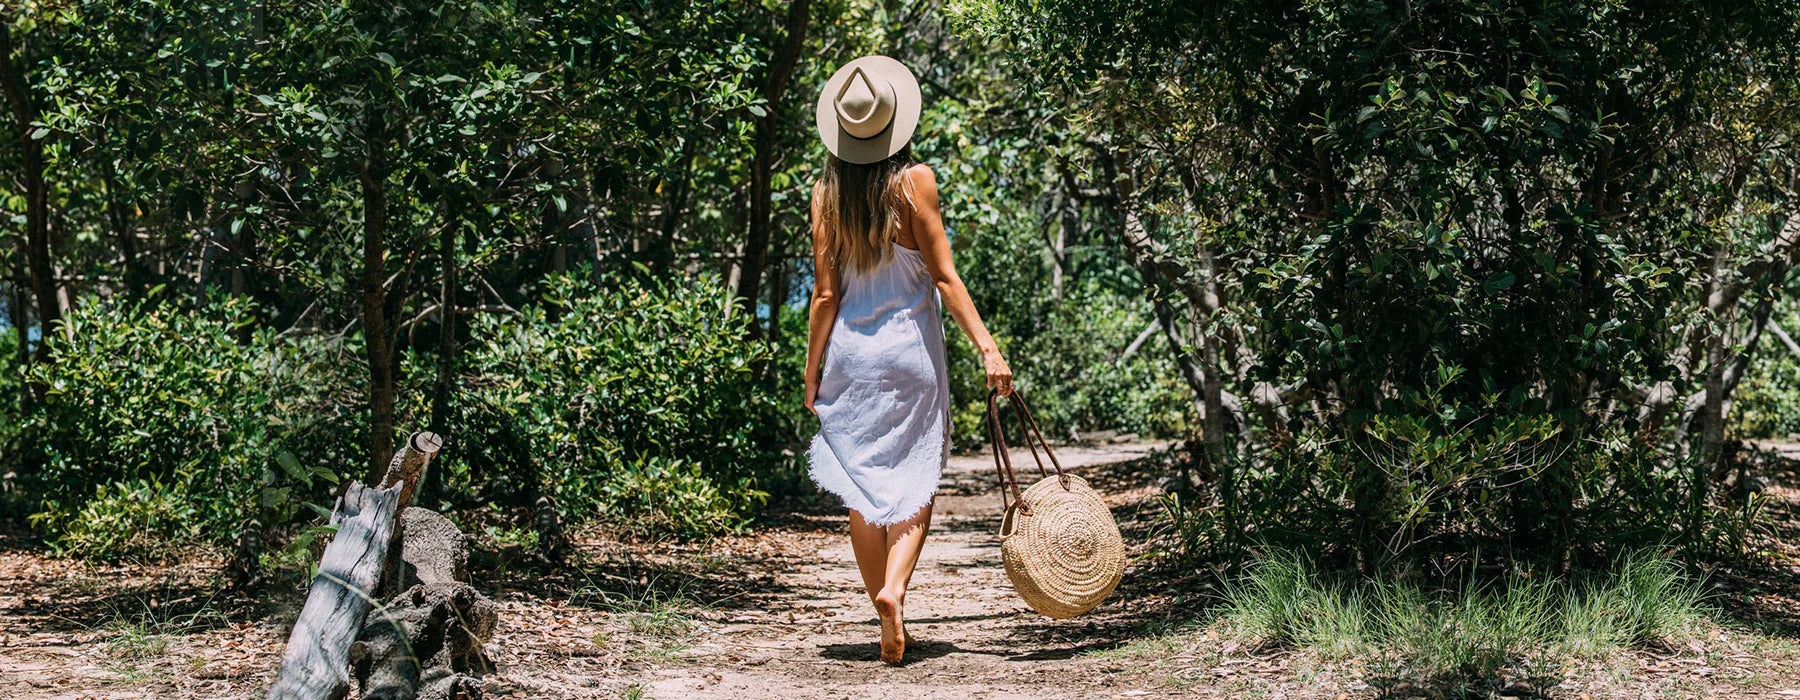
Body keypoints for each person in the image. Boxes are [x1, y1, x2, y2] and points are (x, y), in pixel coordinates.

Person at [803, 55, 1013, 665]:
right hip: (909, 357)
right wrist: (988, 349)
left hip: (849, 358)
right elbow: (945, 279)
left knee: (863, 487)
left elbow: (824, 296)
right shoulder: (914, 182)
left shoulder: (824, 194)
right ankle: (895, 590)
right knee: (915, 479)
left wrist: (812, 369)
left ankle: (879, 599)